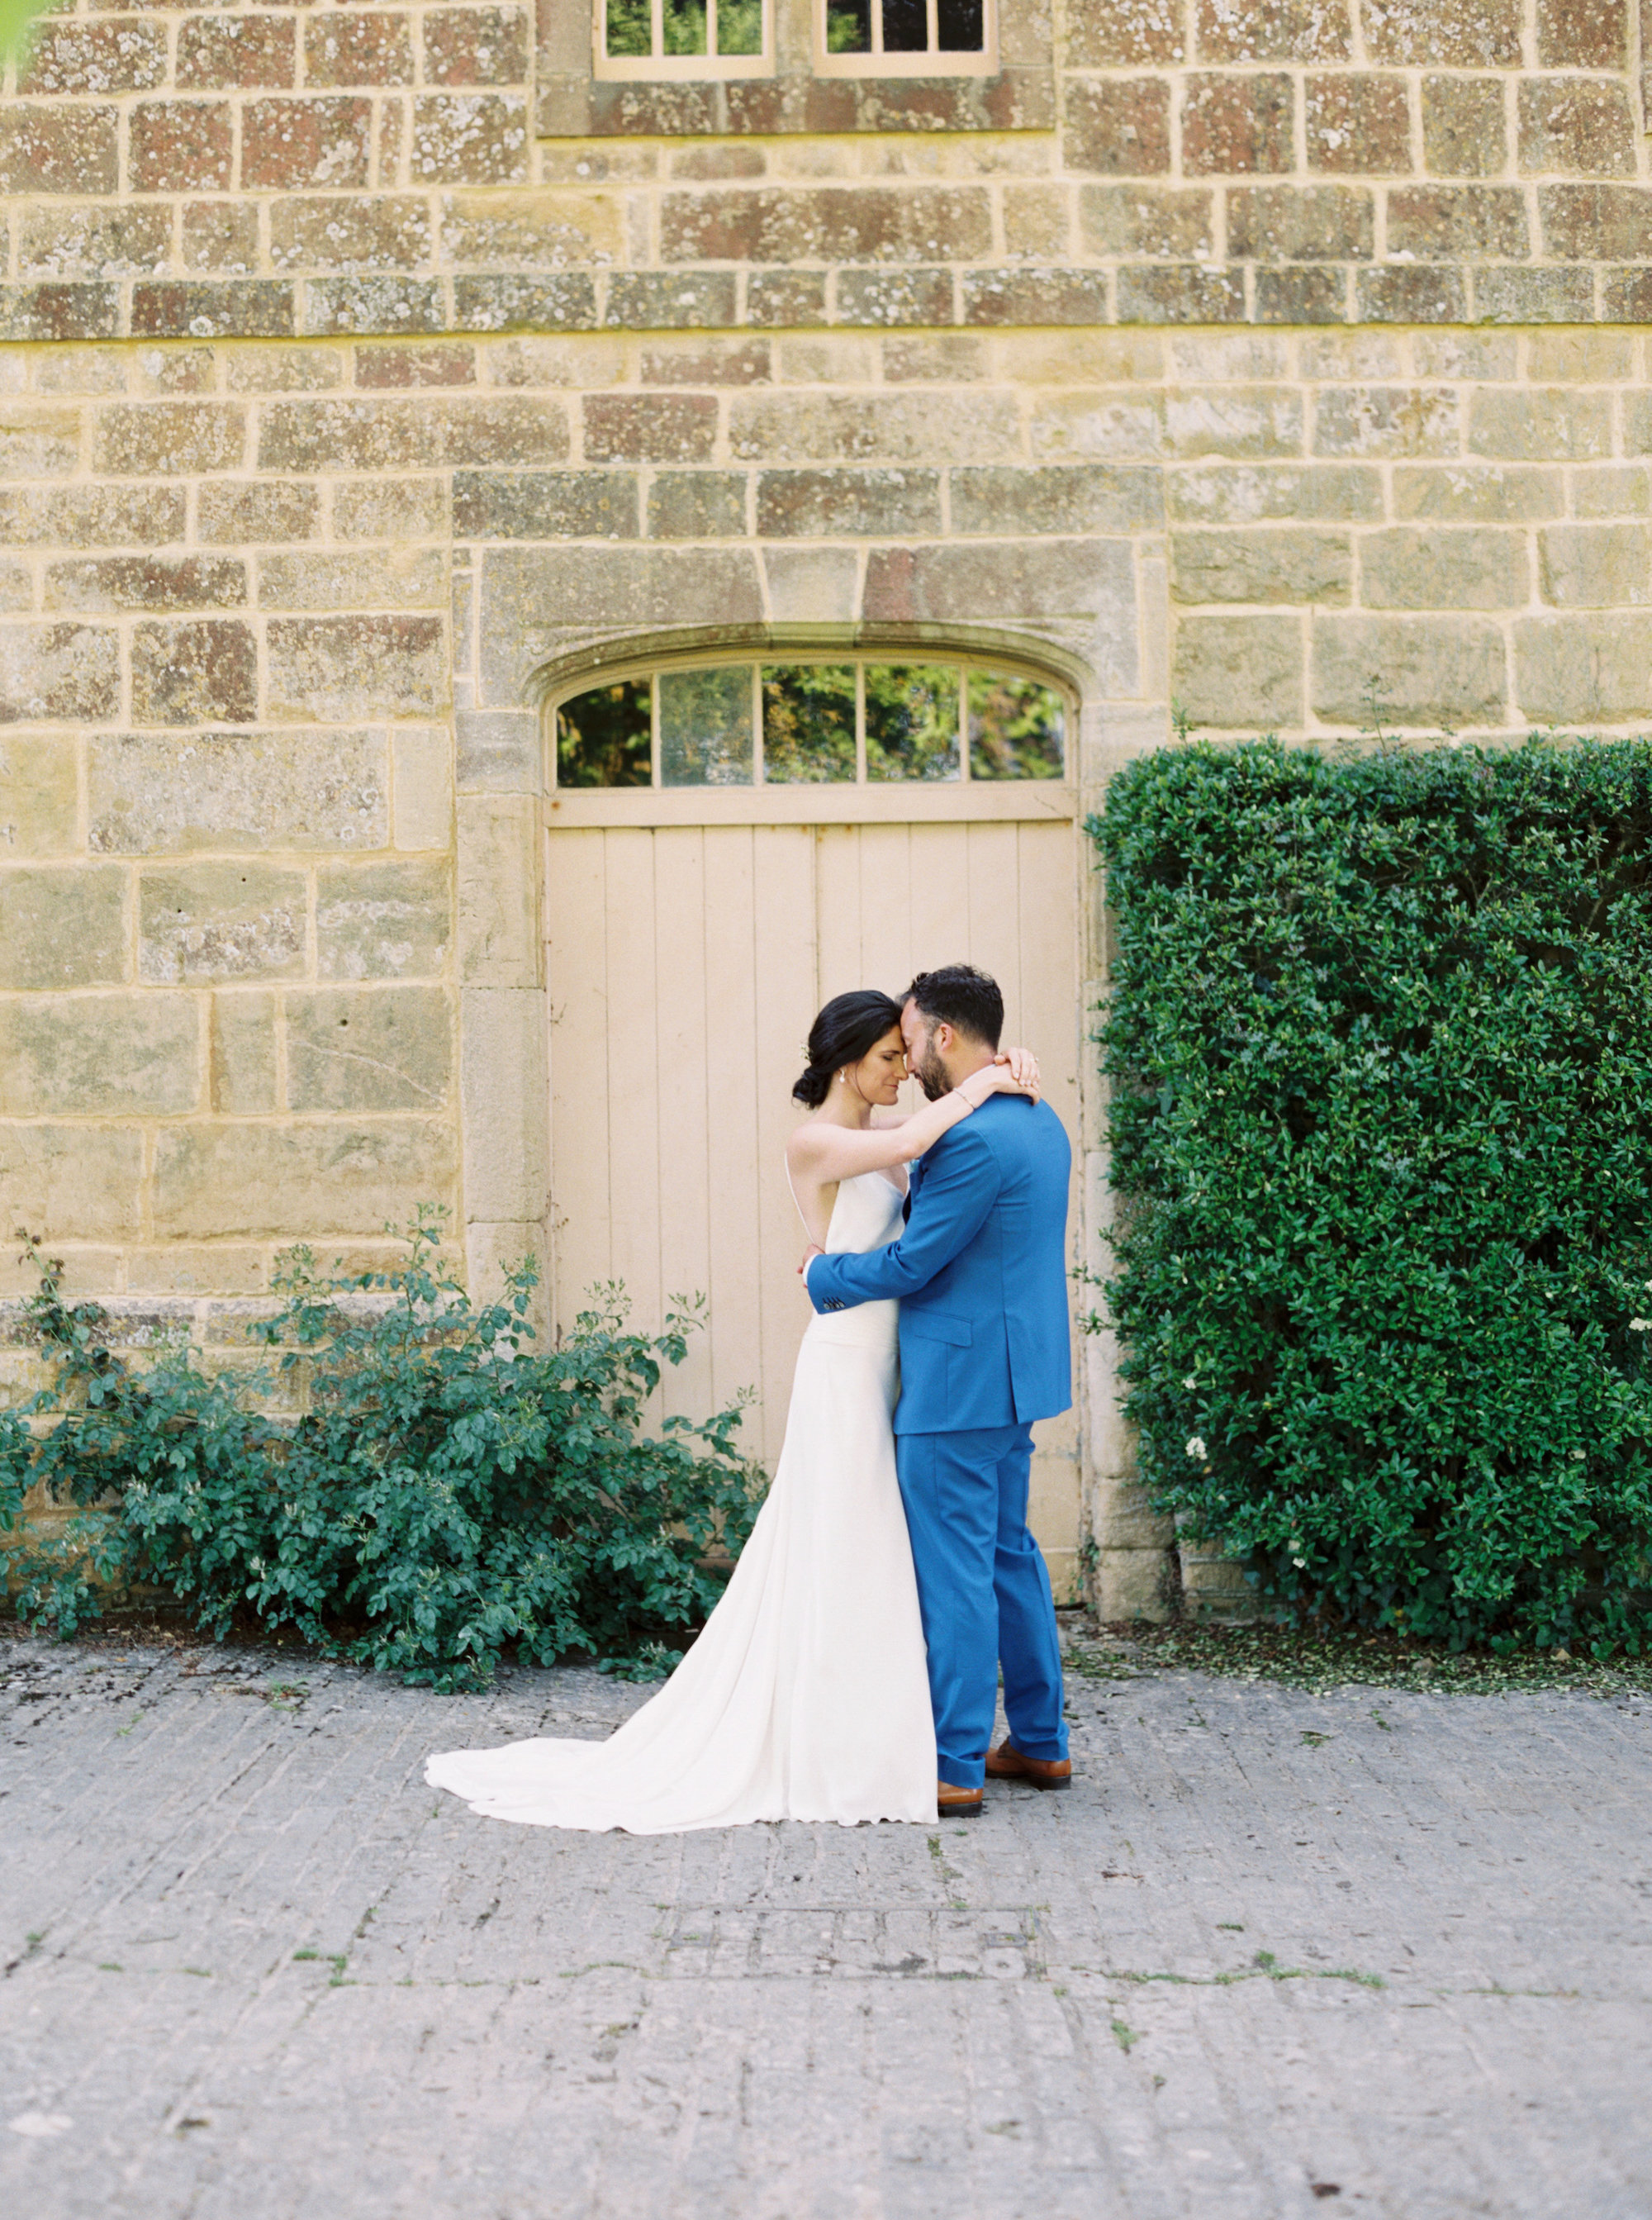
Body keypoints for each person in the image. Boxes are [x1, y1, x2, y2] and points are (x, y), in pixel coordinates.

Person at [425, 985, 1041, 1833]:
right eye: (889, 1057)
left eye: (907, 1053)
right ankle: (855, 1738)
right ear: (846, 1062)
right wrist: (993, 1076)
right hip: (844, 1364)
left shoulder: (886, 1150)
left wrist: (1005, 1068)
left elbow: (911, 1201)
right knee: (845, 1540)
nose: (902, 1069)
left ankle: (889, 1726)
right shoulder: (816, 1140)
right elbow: (911, 1144)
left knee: (884, 1555)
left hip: (898, 1364)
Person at [803, 965, 1074, 1818]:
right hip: (1015, 1375)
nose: (907, 1054)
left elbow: (917, 1260)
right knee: (1006, 1555)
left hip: (956, 1383)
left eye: (911, 1035)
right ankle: (1037, 1740)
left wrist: (824, 1275)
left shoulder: (966, 1140)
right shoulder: (1038, 1117)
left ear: (944, 1036)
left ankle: (953, 1761)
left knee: (956, 1569)